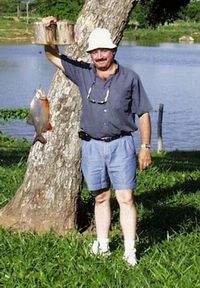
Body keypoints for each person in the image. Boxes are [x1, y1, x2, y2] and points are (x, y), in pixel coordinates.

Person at [44, 24, 152, 267]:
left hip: (121, 145)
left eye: (104, 50)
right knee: (101, 198)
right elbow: (52, 55)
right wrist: (48, 32)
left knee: (125, 198)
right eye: (95, 52)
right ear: (90, 54)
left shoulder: (130, 78)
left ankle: (129, 250)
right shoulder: (84, 73)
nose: (99, 56)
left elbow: (143, 113)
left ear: (113, 51)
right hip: (91, 145)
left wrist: (145, 146)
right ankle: (102, 245)